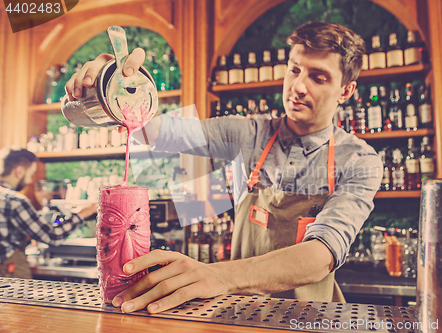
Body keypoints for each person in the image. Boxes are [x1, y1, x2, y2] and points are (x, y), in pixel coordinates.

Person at [66, 21, 382, 313]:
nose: (299, 86)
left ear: (346, 90)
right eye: (295, 70)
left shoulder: (359, 160)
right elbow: (154, 133)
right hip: (240, 316)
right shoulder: (246, 133)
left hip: (311, 318)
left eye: (318, 77)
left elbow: (321, 256)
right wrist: (111, 83)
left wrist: (217, 275)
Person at [0, 147, 97, 278]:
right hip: (7, 272)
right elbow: (53, 236)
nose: (29, 181)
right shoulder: (14, 201)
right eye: (30, 174)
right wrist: (82, 213)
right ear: (19, 171)